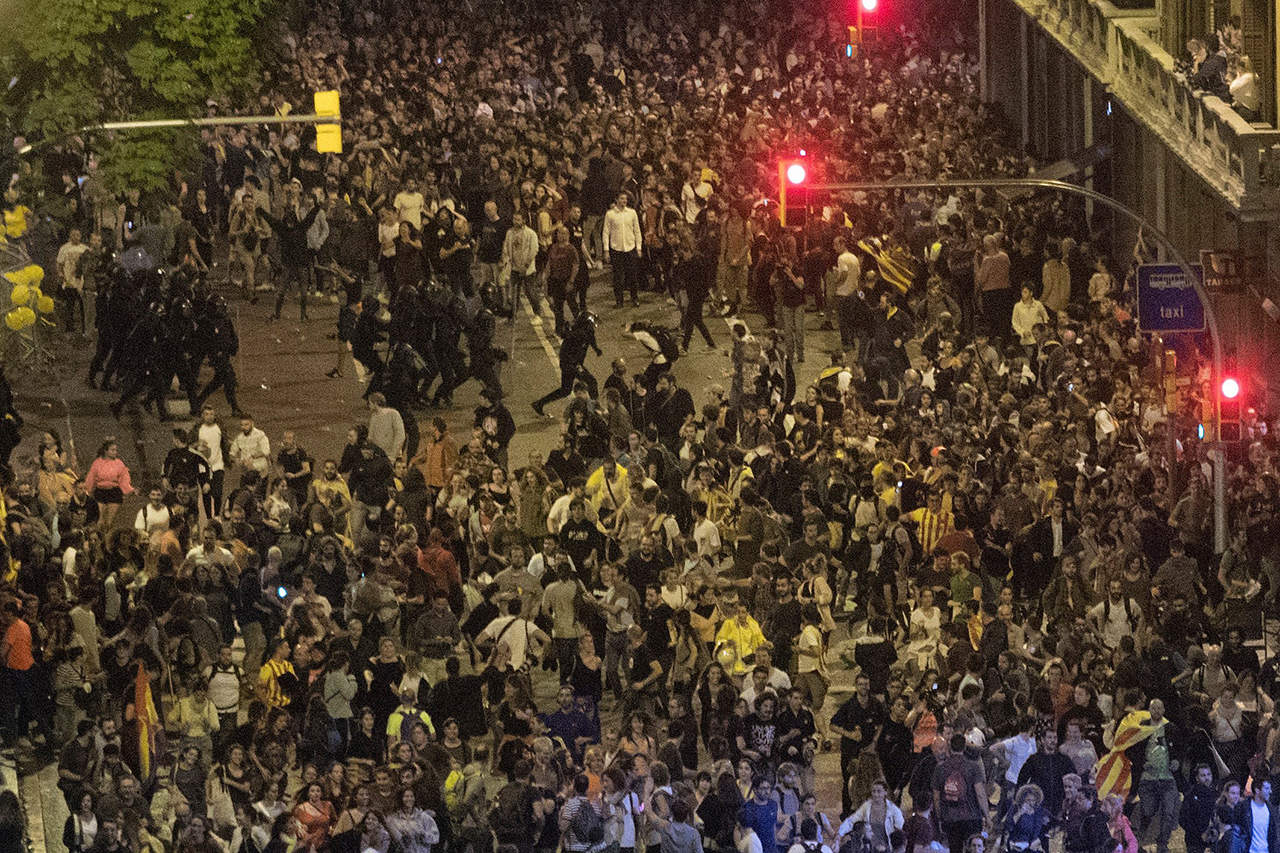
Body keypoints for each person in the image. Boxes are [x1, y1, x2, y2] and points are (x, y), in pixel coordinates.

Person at [603, 191, 642, 308]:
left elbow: (637, 231)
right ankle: (619, 301)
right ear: (616, 199)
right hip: (616, 249)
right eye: (621, 199)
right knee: (618, 277)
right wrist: (606, 250)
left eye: (625, 199)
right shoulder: (610, 214)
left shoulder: (632, 213)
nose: (624, 201)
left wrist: (638, 247)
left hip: (630, 248)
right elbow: (606, 232)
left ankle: (634, 299)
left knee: (633, 276)